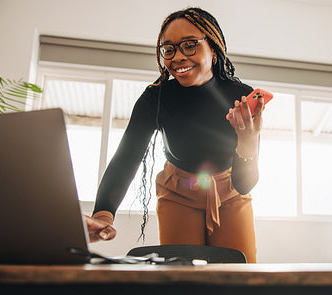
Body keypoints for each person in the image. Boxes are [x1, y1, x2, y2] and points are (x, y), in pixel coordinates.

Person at [84, 7, 263, 263]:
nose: (177, 57)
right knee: (180, 279)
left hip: (232, 193)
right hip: (178, 194)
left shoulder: (242, 98)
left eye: (190, 45)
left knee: (238, 279)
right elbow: (126, 158)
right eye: (169, 49)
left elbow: (244, 184)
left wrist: (248, 143)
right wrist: (103, 215)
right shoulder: (155, 99)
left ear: (213, 49)